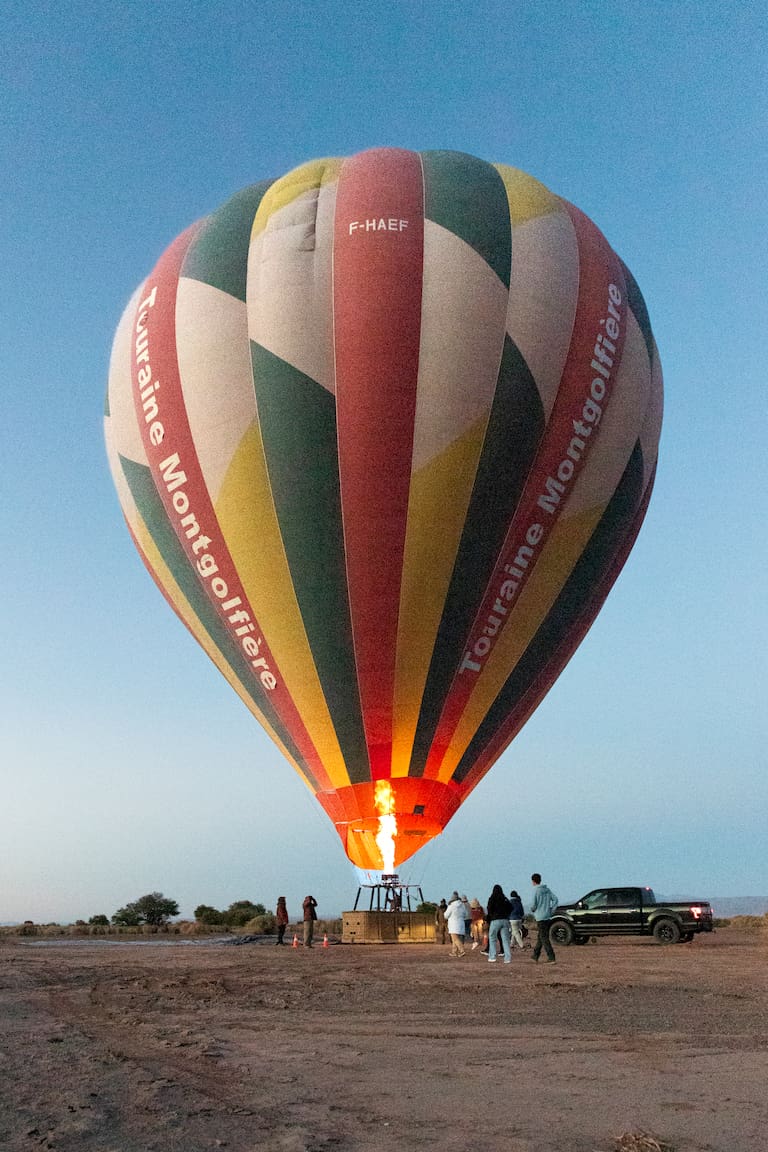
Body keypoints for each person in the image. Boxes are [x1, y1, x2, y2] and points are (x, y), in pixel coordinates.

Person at [529, 873, 558, 963]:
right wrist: (551, 910)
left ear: (533, 881)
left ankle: (551, 957)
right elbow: (555, 899)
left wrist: (533, 909)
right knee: (541, 936)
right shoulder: (547, 890)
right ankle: (535, 955)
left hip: (540, 916)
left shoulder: (536, 890)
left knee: (544, 937)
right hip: (547, 916)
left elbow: (534, 904)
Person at [486, 884, 513, 963]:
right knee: (505, 939)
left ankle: (492, 956)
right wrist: (507, 914)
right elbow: (511, 907)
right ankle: (507, 958)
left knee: (492, 938)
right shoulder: (504, 899)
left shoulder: (492, 898)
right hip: (505, 920)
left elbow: (489, 909)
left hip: (495, 920)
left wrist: (491, 915)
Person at [444, 891, 467, 957]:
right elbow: (465, 914)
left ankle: (462, 951)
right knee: (455, 939)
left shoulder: (451, 906)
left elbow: (446, 915)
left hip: (453, 925)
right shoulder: (462, 905)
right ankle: (454, 952)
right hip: (461, 924)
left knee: (455, 938)